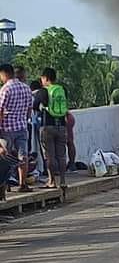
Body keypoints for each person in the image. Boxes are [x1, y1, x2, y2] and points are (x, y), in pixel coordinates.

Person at [0, 62, 33, 192]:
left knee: (4, 157)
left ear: (4, 74)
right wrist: (23, 119)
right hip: (22, 127)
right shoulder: (26, 88)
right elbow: (30, 110)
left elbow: (0, 111)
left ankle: (4, 185)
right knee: (22, 156)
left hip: (7, 128)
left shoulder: (5, 89)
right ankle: (22, 183)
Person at [37, 67, 69, 189]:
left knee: (49, 155)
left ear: (45, 78)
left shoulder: (43, 91)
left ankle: (52, 181)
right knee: (61, 155)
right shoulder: (62, 89)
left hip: (47, 126)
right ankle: (63, 181)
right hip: (62, 125)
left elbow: (35, 106)